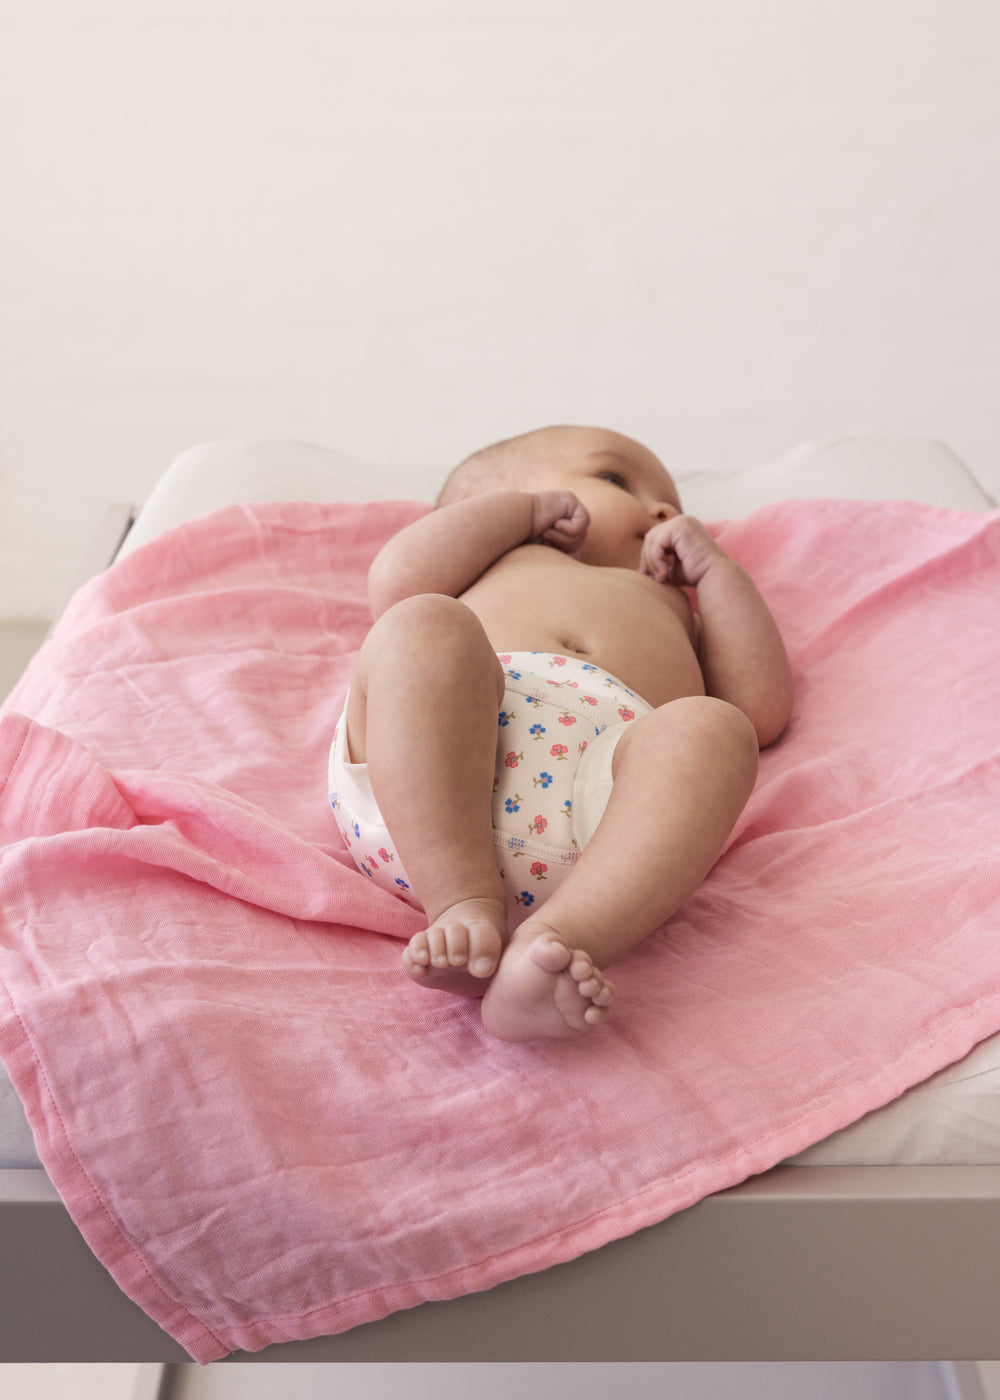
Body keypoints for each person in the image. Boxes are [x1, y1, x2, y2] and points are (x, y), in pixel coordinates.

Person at [328, 425, 793, 1042]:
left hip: (604, 811)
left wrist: (717, 574)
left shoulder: (673, 600)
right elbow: (397, 579)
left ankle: (554, 945)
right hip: (440, 772)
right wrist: (524, 515)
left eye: (673, 503)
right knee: (420, 627)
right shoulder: (500, 555)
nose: (663, 510)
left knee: (714, 728)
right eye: (615, 479)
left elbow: (760, 709)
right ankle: (462, 901)